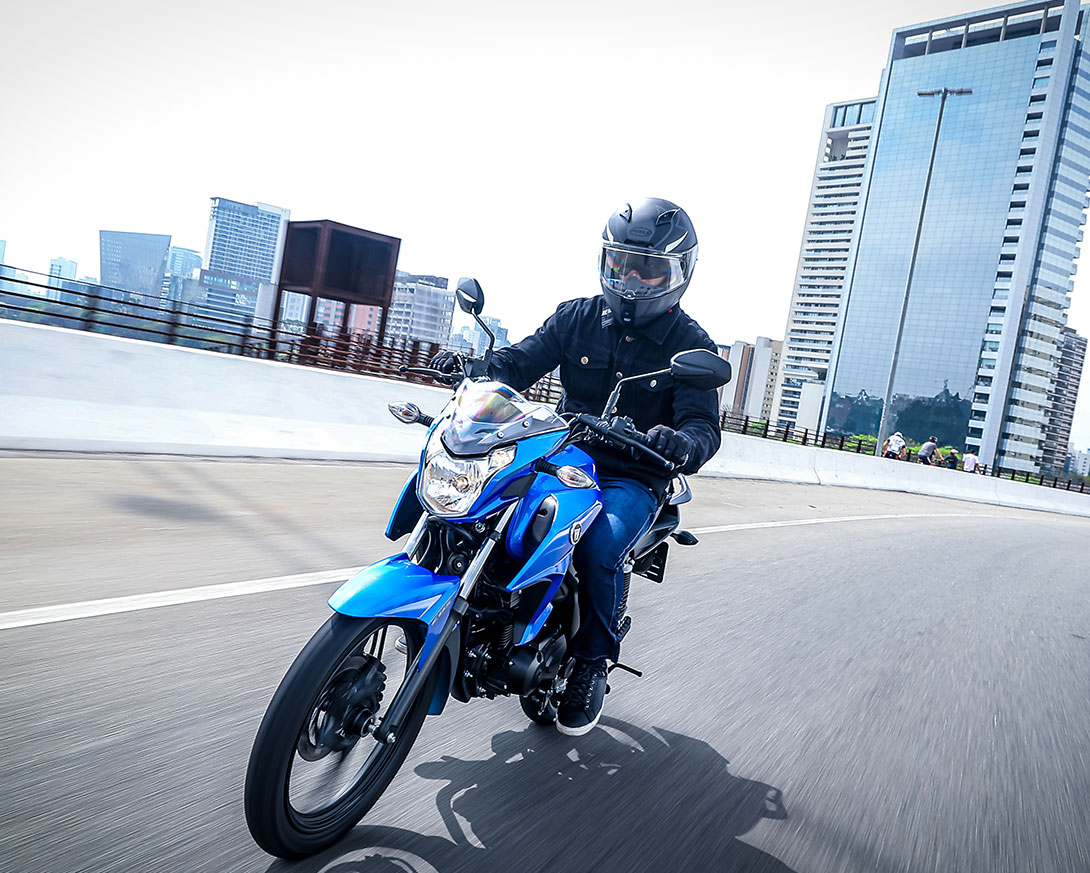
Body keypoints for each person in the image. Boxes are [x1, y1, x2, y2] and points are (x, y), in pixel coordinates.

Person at [430, 198, 721, 737]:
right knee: (478, 502)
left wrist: (679, 442)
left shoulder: (691, 345)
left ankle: (591, 663)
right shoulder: (575, 317)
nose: (631, 279)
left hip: (632, 475)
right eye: (621, 264)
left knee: (598, 545)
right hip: (561, 455)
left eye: (649, 269)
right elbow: (518, 363)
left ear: (678, 274)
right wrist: (474, 369)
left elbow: (703, 427)